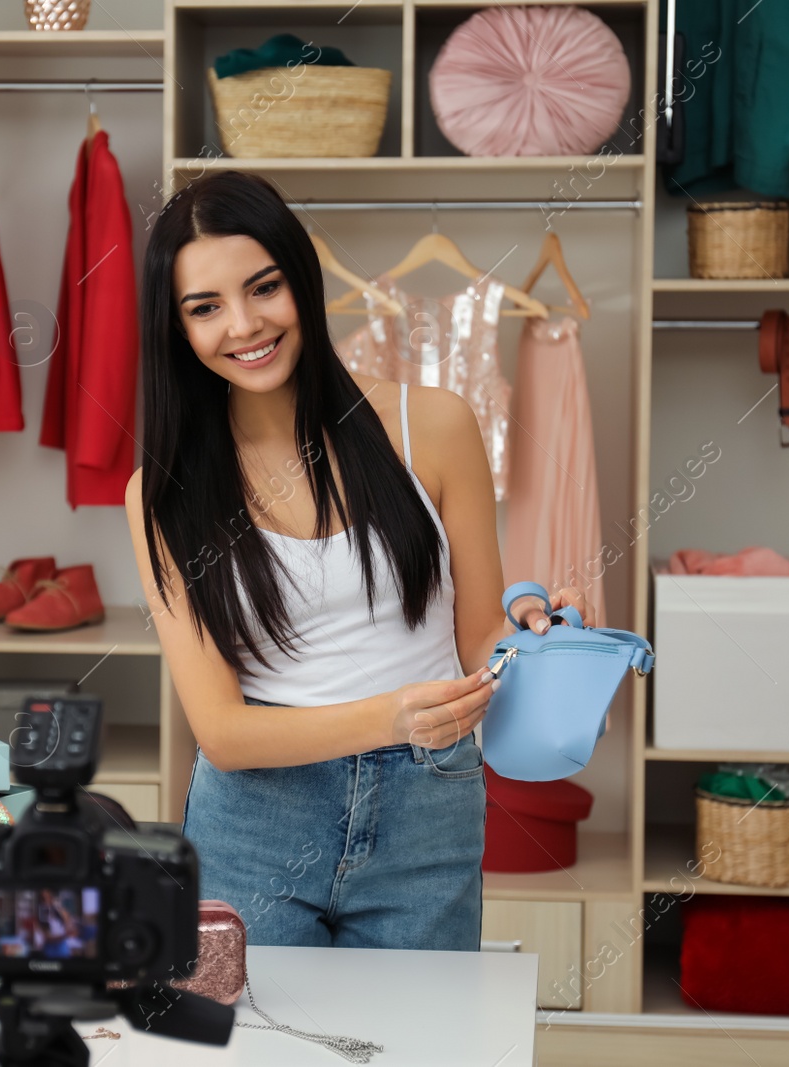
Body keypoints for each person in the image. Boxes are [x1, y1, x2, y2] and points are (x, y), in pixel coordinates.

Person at [123, 170, 596, 951]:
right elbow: (222, 731)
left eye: (263, 287)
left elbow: (478, 636)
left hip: (427, 808)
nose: (243, 325)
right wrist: (392, 715)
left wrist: (537, 644)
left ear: (302, 282)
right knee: (259, 1050)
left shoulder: (434, 426)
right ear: (176, 328)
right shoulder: (162, 497)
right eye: (205, 307)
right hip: (253, 823)